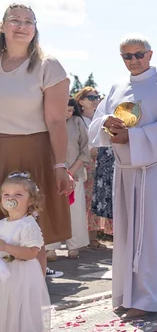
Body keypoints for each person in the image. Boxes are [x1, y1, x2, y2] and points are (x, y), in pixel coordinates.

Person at [89, 34, 157, 320]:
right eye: (127, 56)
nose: (133, 60)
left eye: (138, 54)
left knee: (150, 233)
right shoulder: (116, 87)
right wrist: (106, 123)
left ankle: (147, 298)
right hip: (125, 171)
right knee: (126, 236)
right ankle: (125, 294)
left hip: (151, 169)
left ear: (150, 54)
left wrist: (132, 137)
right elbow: (96, 123)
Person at [0, 3, 72, 279]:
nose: (21, 26)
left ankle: (32, 296)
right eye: (15, 20)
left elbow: (55, 120)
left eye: (28, 21)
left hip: (34, 154)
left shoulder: (48, 66)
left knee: (31, 230)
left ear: (35, 28)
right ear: (3, 26)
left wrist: (60, 165)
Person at [0, 172, 52, 332]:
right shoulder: (3, 223)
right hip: (6, 274)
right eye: (6, 194)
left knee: (19, 307)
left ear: (31, 200)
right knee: (6, 307)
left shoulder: (28, 224)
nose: (11, 198)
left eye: (18, 194)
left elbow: (32, 252)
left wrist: (6, 247)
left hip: (21, 274)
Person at [48, 98, 91, 258]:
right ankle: (50, 247)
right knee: (52, 209)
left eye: (71, 110)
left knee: (75, 209)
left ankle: (75, 246)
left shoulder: (77, 122)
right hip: (51, 174)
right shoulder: (47, 122)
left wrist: (70, 172)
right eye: (66, 110)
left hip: (75, 173)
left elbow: (84, 150)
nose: (69, 113)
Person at [74, 87, 113, 247]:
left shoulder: (101, 119)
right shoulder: (77, 120)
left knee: (97, 199)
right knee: (85, 200)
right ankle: (82, 238)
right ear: (81, 101)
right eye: (90, 97)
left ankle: (93, 238)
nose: (95, 100)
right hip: (84, 163)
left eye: (97, 97)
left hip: (102, 162)